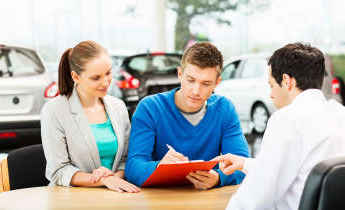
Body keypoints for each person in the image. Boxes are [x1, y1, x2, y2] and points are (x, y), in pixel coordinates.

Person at [217, 43, 345, 209]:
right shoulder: (339, 114)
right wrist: (245, 164)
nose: (271, 94)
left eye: (271, 85)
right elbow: (305, 170)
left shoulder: (286, 120)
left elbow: (253, 199)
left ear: (286, 81)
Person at [125, 42, 250, 189]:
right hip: (160, 200)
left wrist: (218, 178)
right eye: (190, 80)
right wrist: (160, 166)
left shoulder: (224, 109)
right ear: (180, 74)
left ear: (216, 83)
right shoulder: (150, 108)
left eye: (206, 83)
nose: (196, 91)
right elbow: (133, 167)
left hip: (207, 200)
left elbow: (242, 164)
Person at [41, 40, 139, 193]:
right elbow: (58, 170)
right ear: (76, 77)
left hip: (114, 195)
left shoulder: (118, 107)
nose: (105, 82)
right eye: (96, 78)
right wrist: (103, 179)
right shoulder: (54, 111)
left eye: (108, 73)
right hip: (70, 199)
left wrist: (114, 178)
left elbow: (126, 159)